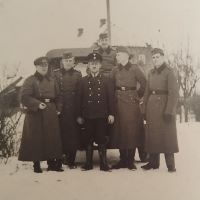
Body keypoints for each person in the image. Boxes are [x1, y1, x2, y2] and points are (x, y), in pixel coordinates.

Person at [18, 57, 63, 173]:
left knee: (52, 137)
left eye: (46, 66)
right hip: (35, 113)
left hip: (51, 111)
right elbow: (24, 97)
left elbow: (58, 96)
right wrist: (37, 104)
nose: (44, 68)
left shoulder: (52, 80)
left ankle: (52, 163)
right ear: (36, 67)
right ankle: (36, 163)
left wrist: (58, 108)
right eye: (41, 66)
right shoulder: (30, 80)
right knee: (36, 137)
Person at [141, 48, 179, 172]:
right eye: (153, 57)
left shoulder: (169, 72)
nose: (155, 59)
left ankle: (170, 165)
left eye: (158, 57)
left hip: (164, 108)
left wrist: (169, 111)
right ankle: (153, 163)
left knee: (167, 136)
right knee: (152, 135)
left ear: (163, 57)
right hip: (152, 108)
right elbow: (146, 92)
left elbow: (173, 94)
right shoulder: (151, 73)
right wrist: (144, 109)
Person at [76, 53, 115, 171]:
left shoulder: (107, 80)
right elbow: (78, 100)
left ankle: (103, 164)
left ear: (100, 65)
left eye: (96, 64)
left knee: (101, 139)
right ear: (88, 65)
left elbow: (111, 99)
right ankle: (88, 163)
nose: (94, 66)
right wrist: (78, 115)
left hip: (101, 116)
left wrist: (111, 113)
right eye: (92, 63)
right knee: (88, 139)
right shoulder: (82, 81)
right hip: (87, 116)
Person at [110, 46, 146, 170]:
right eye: (116, 55)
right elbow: (110, 85)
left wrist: (137, 96)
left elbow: (144, 84)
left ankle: (130, 160)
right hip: (118, 102)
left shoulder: (135, 68)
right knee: (120, 131)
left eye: (119, 54)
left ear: (126, 55)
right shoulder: (114, 70)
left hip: (131, 103)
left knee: (131, 131)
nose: (117, 57)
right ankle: (123, 160)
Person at [54, 52, 82, 169]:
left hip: (74, 107)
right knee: (60, 133)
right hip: (61, 107)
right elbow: (54, 91)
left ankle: (71, 160)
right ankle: (60, 158)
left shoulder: (78, 74)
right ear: (62, 62)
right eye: (66, 61)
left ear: (74, 62)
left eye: (70, 61)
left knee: (73, 134)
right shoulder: (56, 74)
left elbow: (80, 92)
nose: (68, 63)